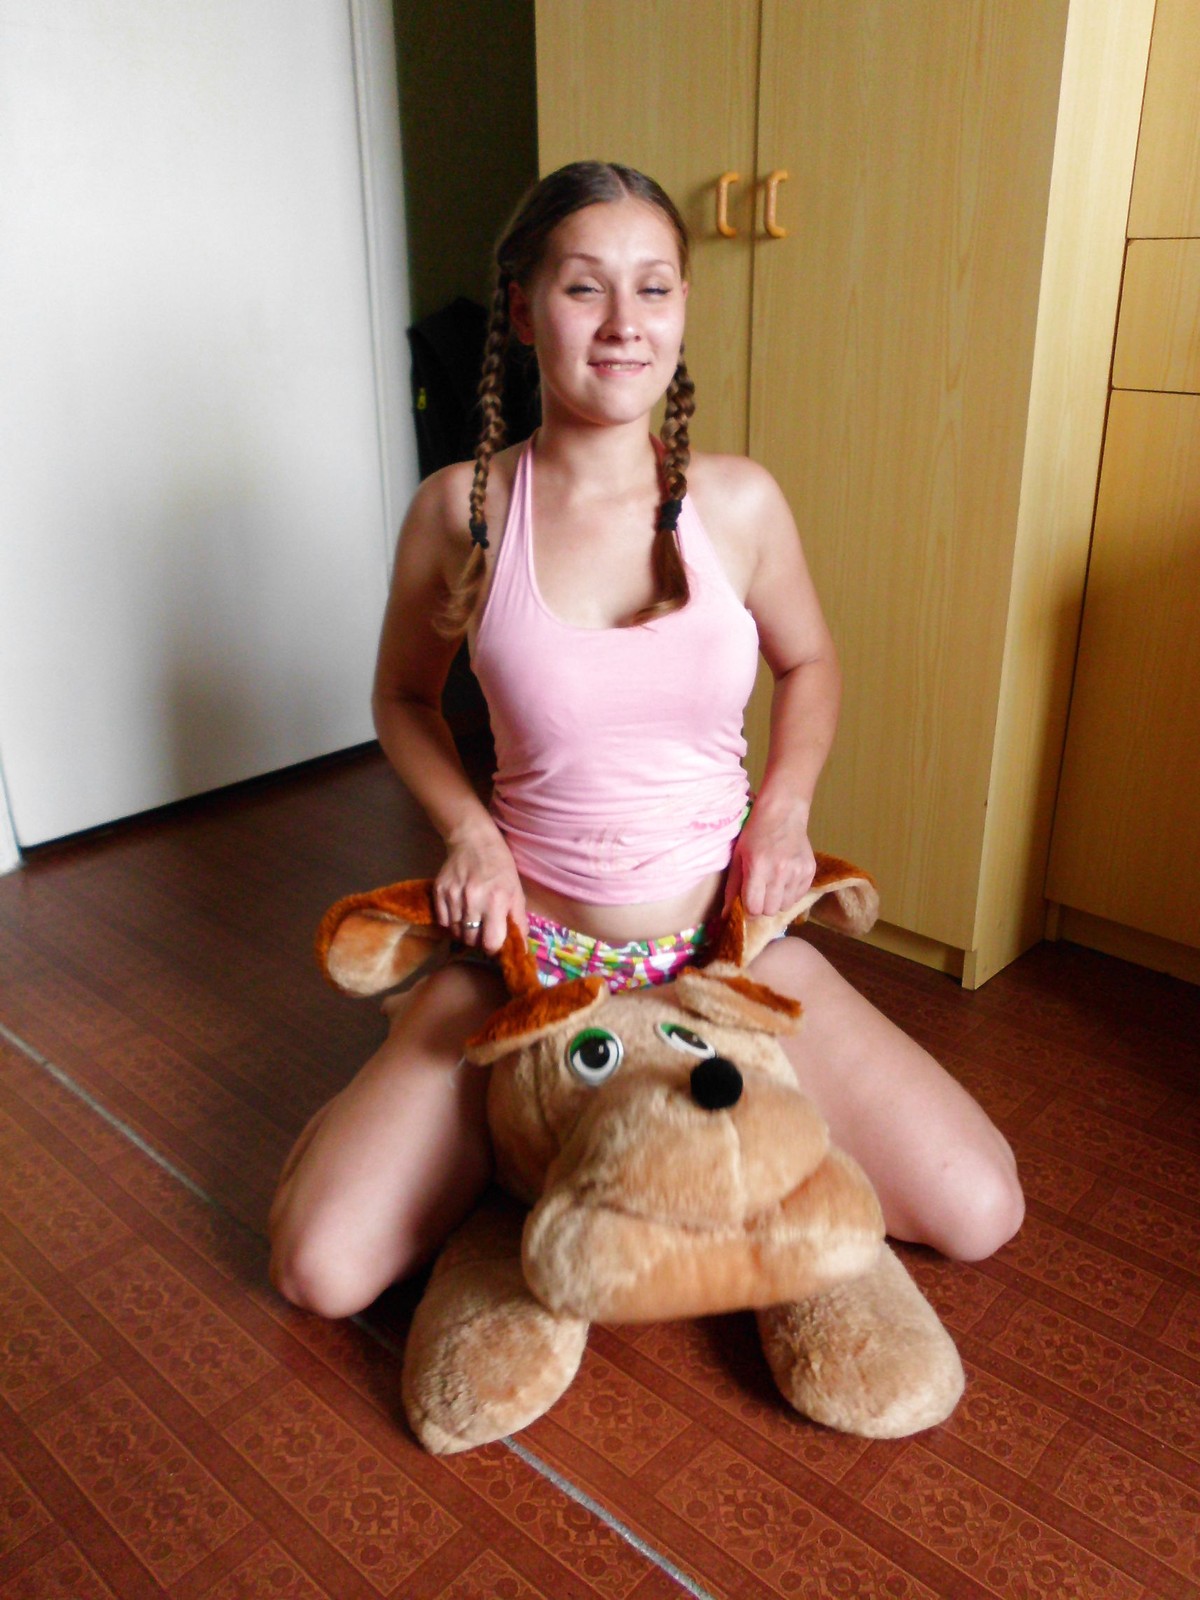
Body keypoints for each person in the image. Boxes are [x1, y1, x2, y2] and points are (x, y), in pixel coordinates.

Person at [269, 162, 1023, 1320]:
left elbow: (811, 663)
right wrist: (470, 835)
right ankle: (504, 1117)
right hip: (530, 959)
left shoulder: (741, 503)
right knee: (320, 1270)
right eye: (585, 288)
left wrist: (785, 811)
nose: (625, 322)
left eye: (654, 287)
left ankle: (560, 1152)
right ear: (525, 311)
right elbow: (404, 699)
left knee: (981, 1209)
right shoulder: (462, 511)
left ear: (682, 310)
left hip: (724, 950)